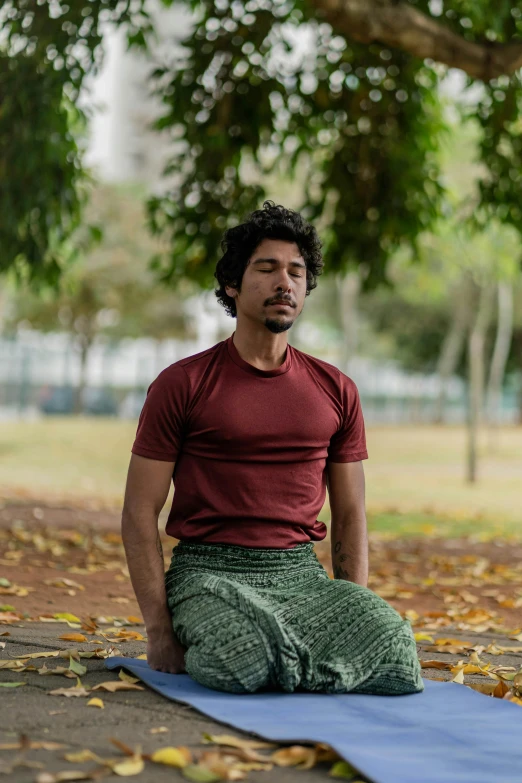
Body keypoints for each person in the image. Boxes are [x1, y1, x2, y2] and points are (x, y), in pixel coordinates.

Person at [121, 201, 424, 695]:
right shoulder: (182, 383)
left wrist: (348, 610)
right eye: (267, 268)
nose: (285, 282)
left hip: (300, 574)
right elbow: (138, 511)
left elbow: (350, 513)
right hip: (208, 574)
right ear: (232, 286)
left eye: (296, 272)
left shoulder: (336, 388)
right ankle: (292, 663)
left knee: (393, 645)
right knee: (237, 658)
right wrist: (158, 633)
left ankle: (283, 662)